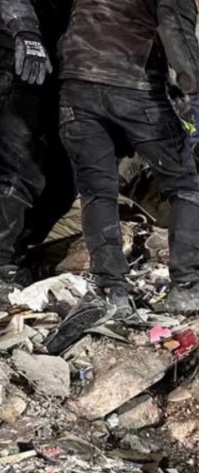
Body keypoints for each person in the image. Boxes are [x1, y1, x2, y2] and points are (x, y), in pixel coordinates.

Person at [57, 0, 199, 314]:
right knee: (184, 187)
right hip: (134, 88)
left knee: (97, 192)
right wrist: (198, 96)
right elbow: (176, 32)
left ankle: (111, 292)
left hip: (76, 90)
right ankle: (188, 286)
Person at [0, 0, 65, 296]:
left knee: (60, 180)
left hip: (54, 67)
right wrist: (24, 30)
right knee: (19, 169)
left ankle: (17, 253)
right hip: (14, 57)